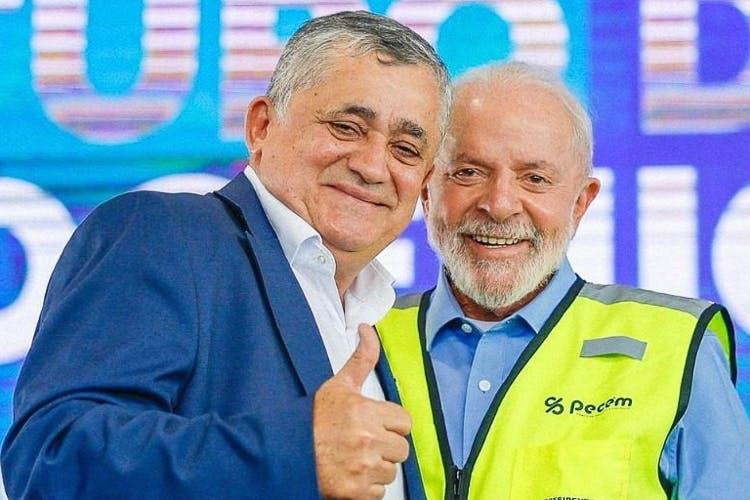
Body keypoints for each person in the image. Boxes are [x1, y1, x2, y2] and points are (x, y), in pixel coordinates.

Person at [1, 11, 450, 499]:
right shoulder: (164, 235)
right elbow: (53, 457)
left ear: (424, 182)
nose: (373, 166)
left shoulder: (382, 320)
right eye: (346, 127)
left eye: (406, 149)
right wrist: (296, 453)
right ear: (261, 127)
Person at [376, 62, 750, 499]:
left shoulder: (678, 346)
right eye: (469, 172)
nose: (499, 205)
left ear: (580, 203)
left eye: (535, 179)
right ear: (426, 190)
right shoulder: (360, 337)